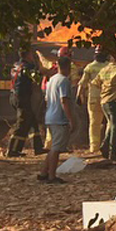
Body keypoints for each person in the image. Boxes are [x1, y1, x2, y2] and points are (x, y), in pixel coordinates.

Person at [39, 55, 78, 183]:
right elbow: (64, 101)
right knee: (56, 149)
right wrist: (71, 119)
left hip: (49, 117)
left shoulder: (52, 79)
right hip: (59, 118)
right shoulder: (64, 81)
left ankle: (44, 173)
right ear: (68, 67)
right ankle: (52, 176)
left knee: (53, 147)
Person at [5, 50, 45, 157]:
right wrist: (41, 65)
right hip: (22, 98)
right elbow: (37, 76)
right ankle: (12, 150)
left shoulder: (16, 65)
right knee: (22, 124)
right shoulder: (28, 67)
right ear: (28, 55)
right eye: (32, 55)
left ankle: (38, 148)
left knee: (32, 121)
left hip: (14, 96)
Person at [79, 48, 110, 158]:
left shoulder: (90, 67)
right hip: (107, 98)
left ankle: (94, 147)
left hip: (93, 98)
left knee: (94, 123)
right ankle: (108, 145)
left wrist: (79, 96)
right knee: (109, 123)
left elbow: (82, 83)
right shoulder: (109, 67)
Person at [98, 56, 116, 162]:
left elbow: (96, 82)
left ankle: (105, 146)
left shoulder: (104, 69)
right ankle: (112, 153)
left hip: (105, 101)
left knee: (112, 125)